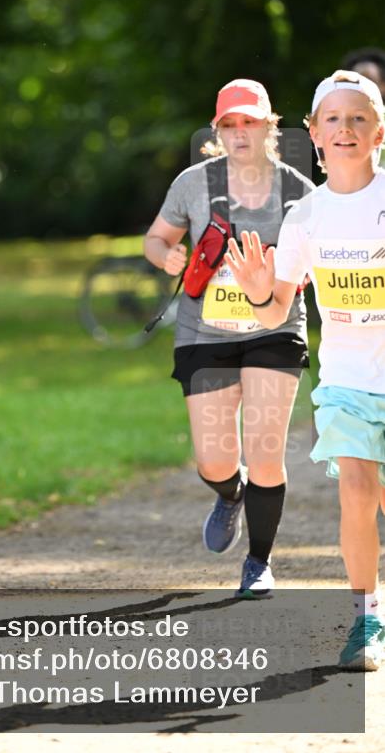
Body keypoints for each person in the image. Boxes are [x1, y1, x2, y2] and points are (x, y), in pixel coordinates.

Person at [226, 69, 385, 670]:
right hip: (346, 383)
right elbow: (277, 303)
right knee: (356, 490)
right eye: (334, 120)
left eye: (359, 118)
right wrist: (260, 289)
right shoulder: (306, 216)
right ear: (314, 134)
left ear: (379, 133)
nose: (346, 129)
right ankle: (365, 617)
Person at [144, 79, 313, 598]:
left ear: (270, 126)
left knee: (266, 452)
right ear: (218, 132)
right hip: (204, 332)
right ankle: (230, 490)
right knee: (214, 460)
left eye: (251, 122)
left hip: (275, 328)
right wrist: (165, 255)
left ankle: (258, 562)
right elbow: (157, 237)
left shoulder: (300, 193)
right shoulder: (193, 183)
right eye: (230, 124)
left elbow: (316, 260)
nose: (241, 132)